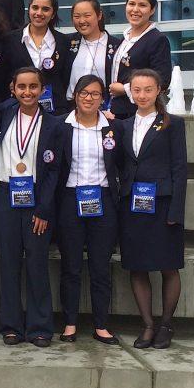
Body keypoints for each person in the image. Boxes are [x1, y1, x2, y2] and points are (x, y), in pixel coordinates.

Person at [0, 67, 62, 348]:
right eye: (22, 87)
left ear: (42, 90)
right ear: (12, 89)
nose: (27, 92)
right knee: (8, 263)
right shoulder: (2, 115)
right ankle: (10, 325)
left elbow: (54, 171)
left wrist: (44, 209)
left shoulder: (53, 124)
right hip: (6, 194)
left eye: (33, 87)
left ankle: (40, 326)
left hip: (36, 197)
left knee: (37, 263)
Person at [119, 69, 187, 350]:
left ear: (158, 90)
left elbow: (180, 170)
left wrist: (176, 212)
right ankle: (147, 324)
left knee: (168, 267)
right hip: (133, 206)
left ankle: (166, 324)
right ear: (130, 92)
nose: (142, 95)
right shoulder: (123, 125)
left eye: (148, 89)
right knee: (138, 267)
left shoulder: (172, 124)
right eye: (137, 90)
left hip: (162, 204)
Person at [56, 74, 123, 345]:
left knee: (100, 266)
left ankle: (101, 324)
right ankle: (70, 322)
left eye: (95, 93)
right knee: (70, 266)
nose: (89, 98)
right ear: (75, 95)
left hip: (103, 200)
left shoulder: (114, 129)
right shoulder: (61, 126)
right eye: (84, 92)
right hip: (70, 199)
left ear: (102, 98)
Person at [108, 0, 173, 120]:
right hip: (117, 111)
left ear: (152, 10)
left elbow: (162, 80)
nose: (135, 10)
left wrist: (125, 89)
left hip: (140, 113)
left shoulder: (157, 39)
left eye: (142, 5)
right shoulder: (124, 39)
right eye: (131, 4)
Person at [1, 0, 70, 115]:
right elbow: (3, 74)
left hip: (55, 111)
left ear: (53, 14)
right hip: (18, 108)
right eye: (35, 8)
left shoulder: (63, 42)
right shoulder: (10, 39)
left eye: (45, 9)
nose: (39, 13)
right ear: (29, 10)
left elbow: (65, 78)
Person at [63, 0, 121, 110]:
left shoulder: (116, 46)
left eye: (87, 15)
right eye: (77, 16)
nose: (82, 21)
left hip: (105, 110)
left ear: (99, 15)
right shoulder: (66, 43)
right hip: (71, 110)